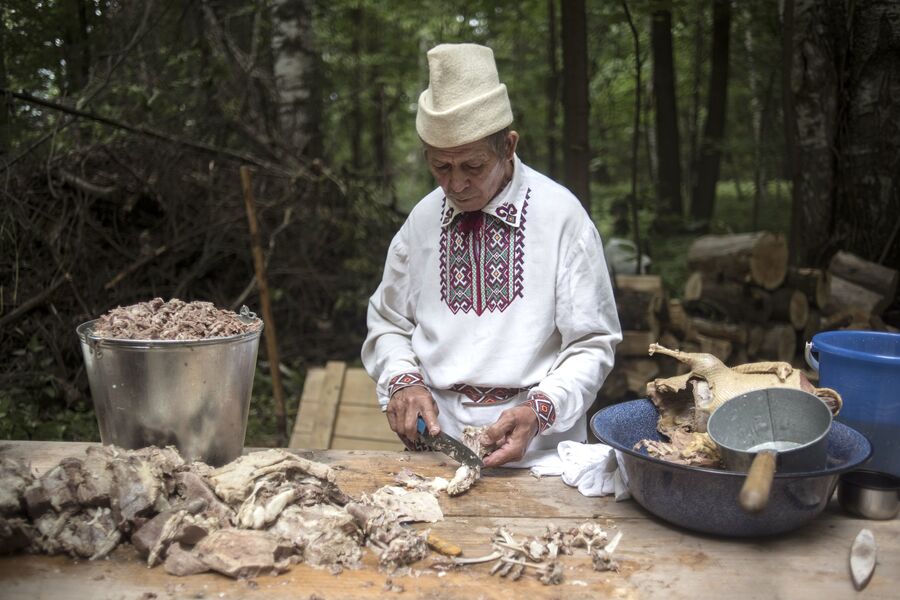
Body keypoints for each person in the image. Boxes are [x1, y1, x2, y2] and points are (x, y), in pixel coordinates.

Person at [361, 43, 621, 468]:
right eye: (441, 167)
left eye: (473, 166)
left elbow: (591, 343)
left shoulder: (560, 216)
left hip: (540, 450)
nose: (456, 184)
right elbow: (388, 323)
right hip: (436, 443)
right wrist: (403, 382)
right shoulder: (423, 220)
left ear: (508, 146)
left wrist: (539, 412)